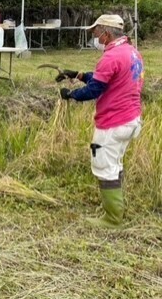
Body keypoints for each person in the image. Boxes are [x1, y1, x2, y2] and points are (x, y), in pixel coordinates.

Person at [59, 14, 144, 228]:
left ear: (106, 33)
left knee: (103, 165)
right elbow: (106, 78)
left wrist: (71, 95)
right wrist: (78, 75)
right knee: (115, 162)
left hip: (113, 122)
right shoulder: (132, 53)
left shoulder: (111, 56)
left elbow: (95, 89)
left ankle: (112, 219)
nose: (95, 36)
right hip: (131, 119)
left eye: (96, 32)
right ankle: (117, 207)